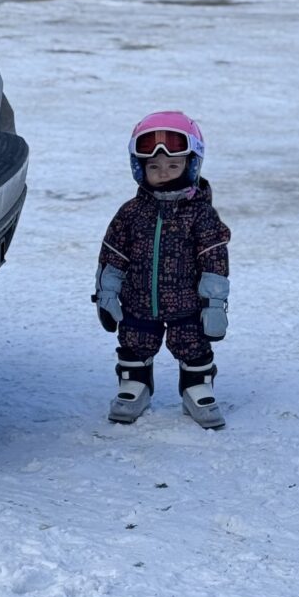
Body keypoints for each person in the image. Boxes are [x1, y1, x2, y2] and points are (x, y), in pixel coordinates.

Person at [93, 111, 230, 427]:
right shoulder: (130, 214)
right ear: (139, 168)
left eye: (173, 165)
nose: (163, 173)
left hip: (188, 306)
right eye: (154, 166)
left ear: (191, 164)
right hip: (139, 303)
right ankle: (134, 385)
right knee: (135, 343)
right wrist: (107, 293)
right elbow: (112, 255)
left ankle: (197, 388)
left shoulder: (201, 215)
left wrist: (214, 305)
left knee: (192, 345)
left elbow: (214, 261)